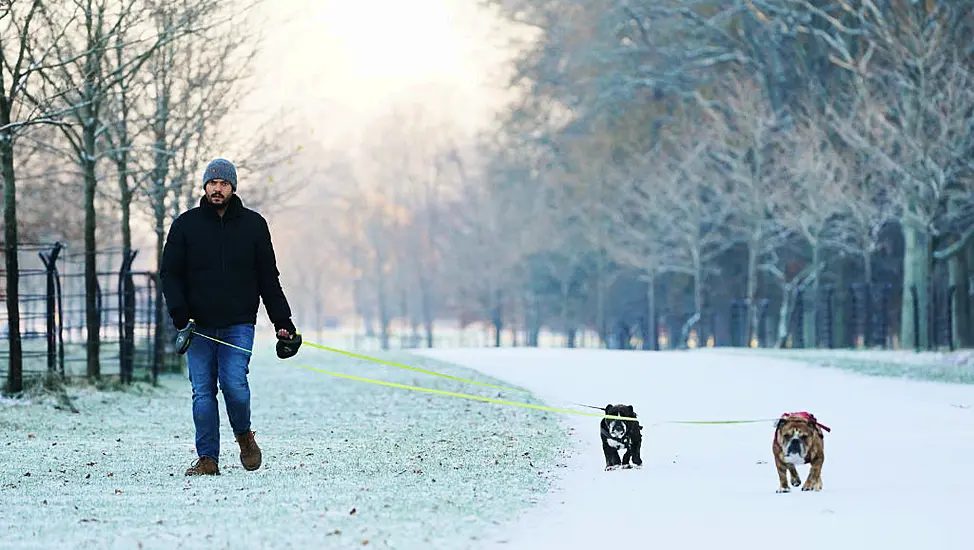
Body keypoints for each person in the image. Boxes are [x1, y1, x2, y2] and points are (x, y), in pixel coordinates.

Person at [160, 158, 299, 476]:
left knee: (234, 384)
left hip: (238, 323)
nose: (217, 188)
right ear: (205, 187)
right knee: (203, 391)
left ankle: (244, 437)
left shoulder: (254, 225)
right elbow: (170, 273)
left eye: (223, 183)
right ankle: (208, 459)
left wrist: (283, 322)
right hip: (197, 327)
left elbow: (268, 277)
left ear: (233, 187)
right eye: (212, 183)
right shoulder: (186, 225)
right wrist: (180, 313)